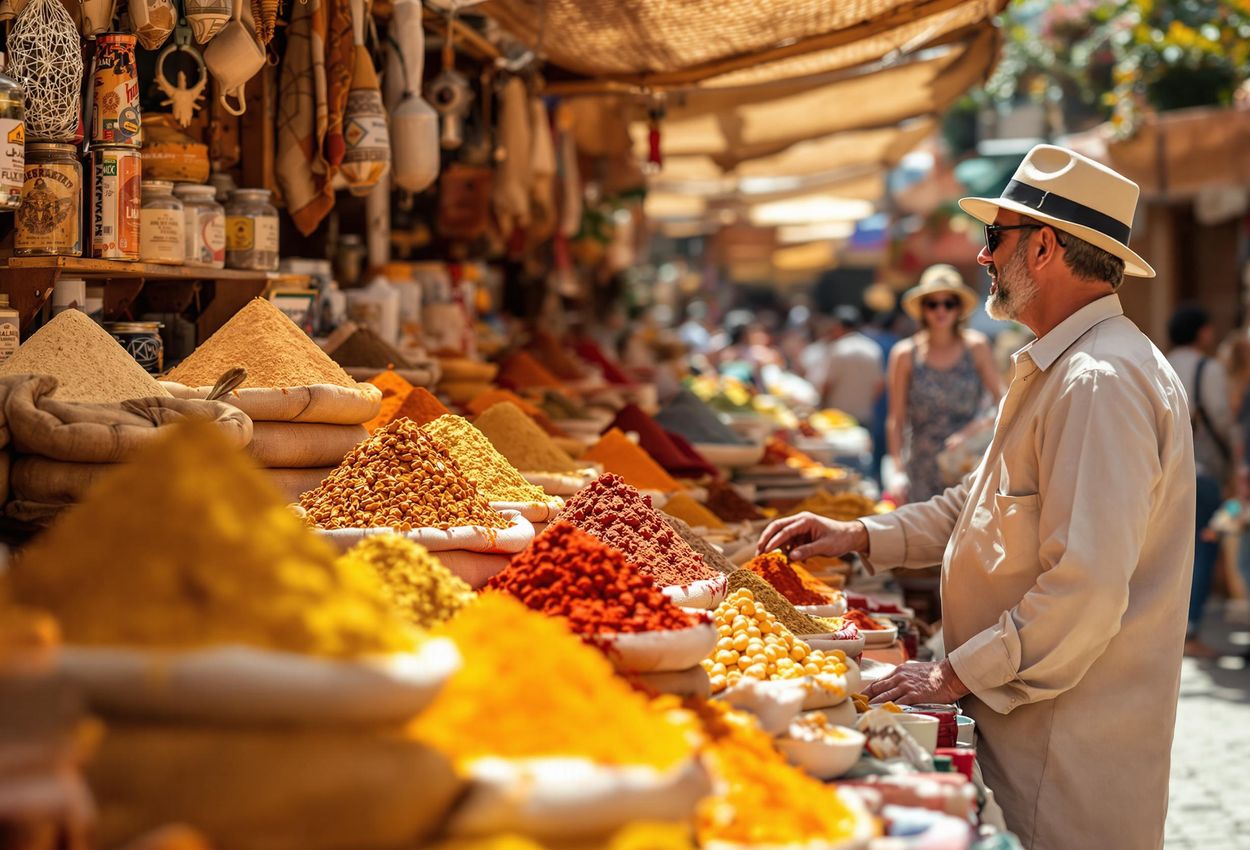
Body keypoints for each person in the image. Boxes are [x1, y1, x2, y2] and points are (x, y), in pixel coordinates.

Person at [757, 145, 1194, 850]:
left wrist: (951, 672)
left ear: (1045, 247)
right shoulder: (1063, 367)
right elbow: (977, 505)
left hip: (1062, 756)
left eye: (996, 238)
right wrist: (862, 535)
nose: (984, 259)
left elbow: (1084, 589)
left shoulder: (1098, 382)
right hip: (1028, 731)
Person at [886, 265, 1003, 503]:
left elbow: (1004, 399)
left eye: (949, 303)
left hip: (968, 464)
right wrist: (897, 471)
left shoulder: (976, 347)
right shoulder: (905, 354)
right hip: (921, 467)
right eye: (933, 303)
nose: (941, 310)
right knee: (924, 538)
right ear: (922, 309)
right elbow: (896, 419)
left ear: (959, 308)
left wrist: (970, 430)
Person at [1166, 304, 1236, 658]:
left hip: (1164, 473)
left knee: (1168, 552)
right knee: (1204, 549)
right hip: (1202, 471)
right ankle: (1189, 632)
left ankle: (1167, 631)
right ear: (1202, 332)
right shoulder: (1207, 368)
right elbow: (1221, 418)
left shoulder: (1159, 361)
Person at [803, 305, 884, 426]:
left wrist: (821, 407)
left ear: (838, 326)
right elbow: (880, 385)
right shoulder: (873, 348)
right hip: (864, 415)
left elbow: (827, 384)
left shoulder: (838, 349)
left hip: (837, 418)